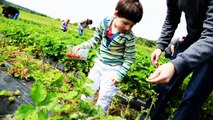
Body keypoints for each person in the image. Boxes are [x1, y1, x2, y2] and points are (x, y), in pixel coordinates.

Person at [141, 0, 213, 120]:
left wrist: (175, 65)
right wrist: (161, 45)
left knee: (192, 97)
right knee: (163, 86)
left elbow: (211, 36)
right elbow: (171, 18)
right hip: (193, 38)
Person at [74, 0, 143, 114]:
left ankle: (97, 116)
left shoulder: (129, 37)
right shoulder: (105, 23)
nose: (128, 28)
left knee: (105, 97)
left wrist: (119, 75)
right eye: (125, 23)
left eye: (132, 25)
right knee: (88, 89)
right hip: (99, 64)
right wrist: (83, 46)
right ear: (116, 15)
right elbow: (96, 40)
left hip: (113, 70)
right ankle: (81, 113)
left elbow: (129, 58)